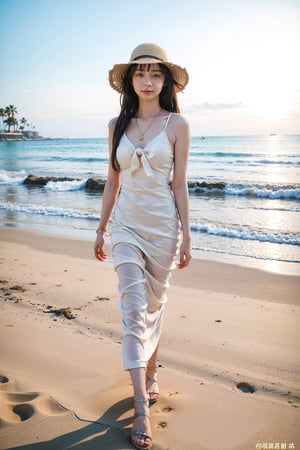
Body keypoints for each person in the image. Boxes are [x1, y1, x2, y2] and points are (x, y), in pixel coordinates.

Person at [94, 42, 191, 450]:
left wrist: (188, 233)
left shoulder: (177, 126)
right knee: (133, 308)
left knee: (153, 305)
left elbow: (179, 184)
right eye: (140, 73)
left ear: (166, 81)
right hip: (126, 228)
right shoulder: (116, 125)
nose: (147, 81)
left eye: (155, 74)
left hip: (164, 231)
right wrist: (101, 228)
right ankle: (141, 407)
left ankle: (152, 372)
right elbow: (113, 181)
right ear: (129, 80)